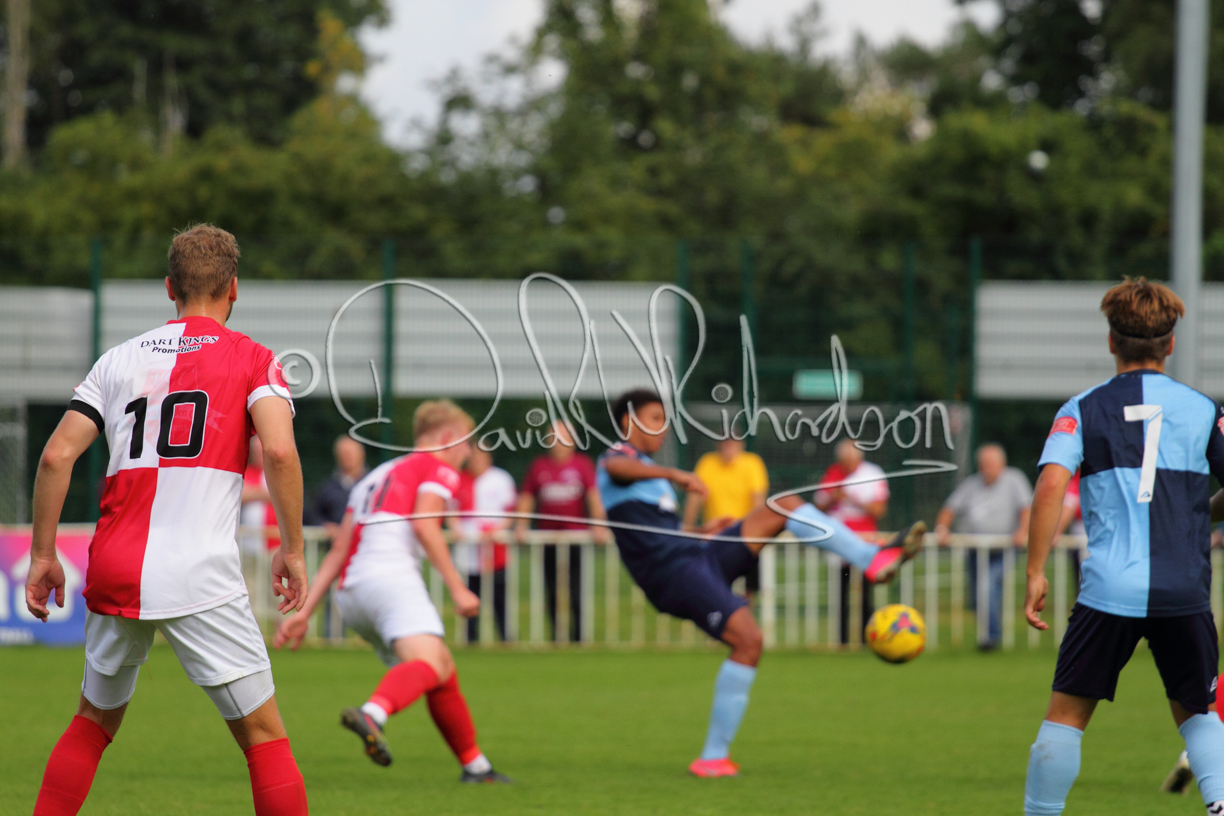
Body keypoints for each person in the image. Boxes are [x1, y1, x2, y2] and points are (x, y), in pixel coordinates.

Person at [24, 224, 309, 816]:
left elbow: (55, 457)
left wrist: (44, 555)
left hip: (116, 566)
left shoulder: (117, 359)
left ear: (169, 288)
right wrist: (294, 549)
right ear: (234, 288)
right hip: (198, 571)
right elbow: (280, 452)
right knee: (264, 737)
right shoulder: (255, 359)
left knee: (92, 723)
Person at [596, 388, 926, 778]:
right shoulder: (618, 459)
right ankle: (712, 758)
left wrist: (702, 530)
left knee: (783, 506)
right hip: (674, 574)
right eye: (655, 418)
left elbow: (658, 534)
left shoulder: (648, 473)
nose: (663, 427)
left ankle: (871, 559)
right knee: (749, 641)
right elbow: (616, 468)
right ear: (628, 421)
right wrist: (673, 473)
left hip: (695, 555)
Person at [1023, 277, 1224, 816]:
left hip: (1110, 589)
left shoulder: (1083, 408)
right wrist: (1201, 511)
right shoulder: (1203, 409)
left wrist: (1036, 570)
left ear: (1111, 341)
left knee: (1065, 718)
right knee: (1199, 714)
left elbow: (1050, 484)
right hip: (1185, 588)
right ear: (1171, 344)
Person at [274, 400, 510, 784]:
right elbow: (426, 526)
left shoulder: (375, 476)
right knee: (429, 663)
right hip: (389, 578)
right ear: (448, 437)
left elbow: (339, 549)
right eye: (467, 442)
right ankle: (373, 714)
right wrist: (458, 589)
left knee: (440, 667)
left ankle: (476, 766)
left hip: (352, 593)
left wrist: (305, 612)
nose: (468, 453)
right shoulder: (437, 466)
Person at [515, 419, 610, 642]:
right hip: (548, 539)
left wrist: (598, 523)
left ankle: (579, 638)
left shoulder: (582, 464)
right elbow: (527, 497)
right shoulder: (539, 466)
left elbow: (593, 496)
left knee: (577, 590)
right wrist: (521, 524)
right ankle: (556, 638)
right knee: (551, 592)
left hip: (576, 538)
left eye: (563, 437)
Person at [935, 443, 1031, 650]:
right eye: (983, 464)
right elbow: (949, 509)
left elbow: (1026, 508)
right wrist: (942, 528)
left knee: (986, 586)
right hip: (976, 550)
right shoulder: (971, 484)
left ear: (1002, 464)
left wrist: (1022, 531)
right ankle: (988, 631)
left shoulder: (1015, 479)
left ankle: (990, 638)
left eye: (991, 464)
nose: (986, 468)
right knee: (977, 595)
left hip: (1004, 549)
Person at [814, 439, 889, 644]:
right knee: (840, 594)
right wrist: (834, 498)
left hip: (865, 541)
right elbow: (818, 507)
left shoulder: (873, 473)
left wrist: (852, 498)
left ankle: (866, 639)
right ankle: (842, 640)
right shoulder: (833, 473)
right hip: (839, 543)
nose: (846, 464)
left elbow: (879, 510)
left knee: (865, 594)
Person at [683, 437, 769, 597]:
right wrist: (688, 529)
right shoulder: (707, 463)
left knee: (749, 581)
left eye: (732, 442)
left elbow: (758, 501)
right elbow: (694, 498)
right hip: (714, 535)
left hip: (744, 533)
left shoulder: (752, 463)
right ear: (718, 444)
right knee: (714, 582)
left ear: (741, 444)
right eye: (725, 442)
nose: (729, 446)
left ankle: (745, 608)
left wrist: (752, 528)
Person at [454, 445, 516, 642]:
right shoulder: (459, 479)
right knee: (471, 594)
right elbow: (452, 511)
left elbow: (511, 511)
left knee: (500, 595)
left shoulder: (501, 479)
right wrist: (457, 530)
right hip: (469, 548)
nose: (477, 461)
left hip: (496, 547)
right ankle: (470, 638)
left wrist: (497, 530)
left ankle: (506, 638)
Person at [307, 435, 368, 536]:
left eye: (351, 453)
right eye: (344, 453)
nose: (348, 457)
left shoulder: (374, 484)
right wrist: (325, 525)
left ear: (362, 454)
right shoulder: (327, 488)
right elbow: (313, 515)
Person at [240, 435, 280, 554]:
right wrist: (270, 495)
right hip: (249, 545)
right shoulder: (246, 471)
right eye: (257, 451)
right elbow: (240, 494)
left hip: (276, 545)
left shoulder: (279, 473)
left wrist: (254, 493)